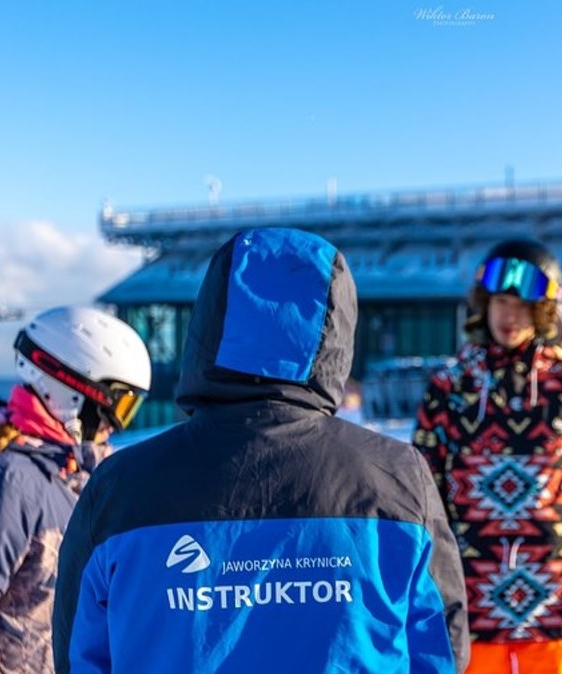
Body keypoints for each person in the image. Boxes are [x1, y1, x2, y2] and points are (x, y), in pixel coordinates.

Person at [52, 228, 469, 674]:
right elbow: (441, 649)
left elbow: (79, 656)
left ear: (208, 323)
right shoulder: (397, 478)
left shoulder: (119, 487)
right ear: (337, 331)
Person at [413, 239, 562, 674]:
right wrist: (422, 590)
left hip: (556, 599)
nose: (509, 315)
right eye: (500, 302)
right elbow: (421, 499)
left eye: (522, 305)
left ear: (543, 312)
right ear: (484, 304)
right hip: (471, 602)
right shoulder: (450, 386)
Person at [0, 306, 152, 674]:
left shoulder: (78, 479)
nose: (116, 425)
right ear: (71, 393)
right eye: (118, 405)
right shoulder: (8, 481)